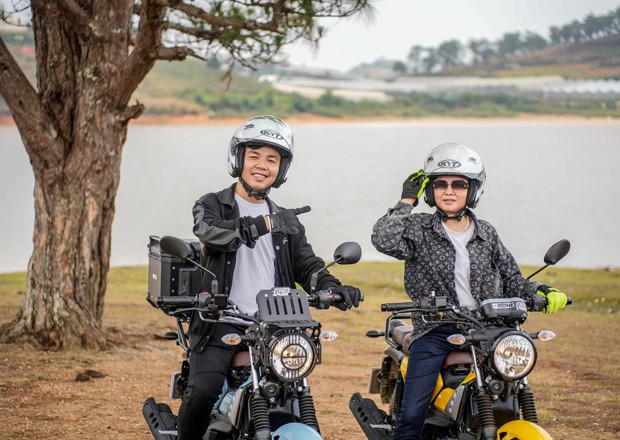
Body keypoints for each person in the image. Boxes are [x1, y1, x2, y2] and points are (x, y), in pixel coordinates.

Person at [177, 115, 364, 440]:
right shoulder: (213, 205)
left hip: (276, 325)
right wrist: (261, 225)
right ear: (239, 160)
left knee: (295, 389)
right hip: (221, 321)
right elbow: (211, 235)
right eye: (254, 156)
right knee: (203, 391)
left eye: (271, 159)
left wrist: (332, 288)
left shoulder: (288, 223)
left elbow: (308, 266)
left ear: (281, 169)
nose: (262, 165)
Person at [371, 143, 568, 440]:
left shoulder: (486, 232)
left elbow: (512, 278)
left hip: (489, 329)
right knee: (412, 415)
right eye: (440, 184)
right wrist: (406, 199)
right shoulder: (418, 228)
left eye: (459, 184)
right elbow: (383, 239)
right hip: (437, 330)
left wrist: (541, 289)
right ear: (430, 190)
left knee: (512, 386)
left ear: (473, 190)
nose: (449, 191)